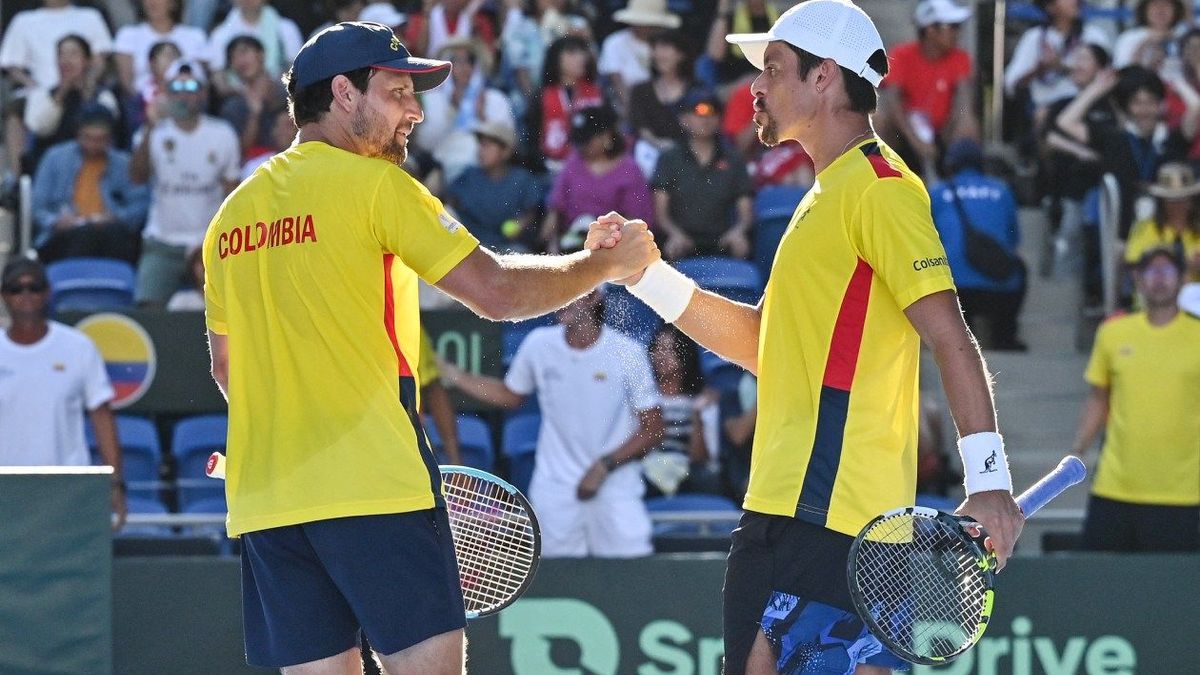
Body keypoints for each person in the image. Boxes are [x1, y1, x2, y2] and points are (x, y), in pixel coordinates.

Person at [201, 21, 657, 672]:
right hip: (374, 485)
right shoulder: (376, 185)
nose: (415, 110)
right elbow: (496, 293)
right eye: (397, 91)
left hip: (265, 500)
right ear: (343, 94)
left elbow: (227, 370)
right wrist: (598, 267)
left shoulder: (230, 219)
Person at [589, 2, 1025, 672]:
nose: (755, 88)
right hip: (803, 519)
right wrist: (645, 277)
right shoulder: (824, 197)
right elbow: (763, 343)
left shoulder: (878, 189)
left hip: (828, 525)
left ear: (825, 78)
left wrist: (989, 479)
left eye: (773, 68)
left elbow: (951, 336)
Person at [440, 288, 664, 557]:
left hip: (617, 487)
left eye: (570, 293)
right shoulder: (539, 344)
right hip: (554, 488)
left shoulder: (628, 352)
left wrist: (603, 467)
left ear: (595, 299)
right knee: (559, 578)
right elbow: (511, 396)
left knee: (631, 575)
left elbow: (653, 429)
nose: (557, 300)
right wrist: (454, 375)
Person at [1070, 247, 1200, 552]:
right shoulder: (1113, 333)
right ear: (1137, 279)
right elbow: (1098, 399)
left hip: (1184, 491)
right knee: (1100, 581)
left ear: (1182, 279)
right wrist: (1078, 449)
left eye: (1167, 271)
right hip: (1115, 487)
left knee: (1176, 592)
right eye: (1151, 271)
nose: (1159, 279)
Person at [0, 259, 127, 530]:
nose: (25, 295)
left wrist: (116, 484)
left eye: (33, 287)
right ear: (4, 295)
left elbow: (102, 418)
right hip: (5, 491)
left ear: (47, 293)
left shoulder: (78, 347)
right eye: (15, 288)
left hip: (67, 491)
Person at [131, 58, 241, 308]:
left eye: (191, 88)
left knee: (226, 310)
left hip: (210, 242)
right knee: (148, 309)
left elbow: (232, 192)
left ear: (203, 93)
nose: (183, 96)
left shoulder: (222, 133)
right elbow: (137, 176)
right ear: (166, 93)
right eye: (176, 89)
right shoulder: (153, 133)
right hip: (162, 241)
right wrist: (150, 127)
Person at [929, 139, 1028, 350]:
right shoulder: (1002, 191)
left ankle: (960, 334)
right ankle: (1005, 336)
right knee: (1020, 268)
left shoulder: (937, 192)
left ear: (950, 164)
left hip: (952, 289)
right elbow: (1013, 241)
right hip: (998, 290)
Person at [32, 108, 149, 264]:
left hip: (111, 231)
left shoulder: (124, 163)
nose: (93, 144)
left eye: (100, 139)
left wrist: (117, 217)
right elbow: (37, 206)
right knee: (84, 236)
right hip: (63, 234)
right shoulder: (54, 158)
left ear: (110, 139)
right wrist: (56, 221)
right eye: (88, 138)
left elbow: (140, 202)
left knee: (116, 237)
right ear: (79, 135)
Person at [877, 0, 977, 180]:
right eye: (952, 26)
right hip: (905, 133)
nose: (957, 32)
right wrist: (916, 141)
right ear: (930, 30)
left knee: (968, 123)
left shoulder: (960, 58)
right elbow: (892, 101)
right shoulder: (901, 54)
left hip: (944, 131)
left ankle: (963, 184)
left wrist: (953, 126)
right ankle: (879, 179)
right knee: (879, 119)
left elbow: (963, 100)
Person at [650, 90, 754, 259]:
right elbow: (661, 214)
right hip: (680, 241)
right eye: (698, 113)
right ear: (683, 120)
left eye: (713, 113)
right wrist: (675, 234)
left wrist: (738, 231)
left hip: (722, 241)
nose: (706, 119)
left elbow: (746, 211)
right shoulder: (669, 158)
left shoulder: (733, 159)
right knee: (668, 249)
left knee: (742, 247)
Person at [541, 105, 653, 252]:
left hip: (614, 247)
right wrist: (552, 246)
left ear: (606, 136)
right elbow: (555, 210)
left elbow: (635, 221)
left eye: (587, 141)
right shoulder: (572, 163)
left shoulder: (629, 170)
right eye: (578, 141)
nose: (581, 146)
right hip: (571, 244)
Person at [644, 324, 721, 497]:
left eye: (669, 350)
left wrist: (696, 416)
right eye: (657, 348)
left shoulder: (702, 402)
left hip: (689, 474)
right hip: (646, 472)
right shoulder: (641, 399)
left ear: (684, 356)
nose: (660, 356)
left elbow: (701, 457)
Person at [443, 119, 544, 251]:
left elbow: (531, 213)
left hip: (508, 249)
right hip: (470, 249)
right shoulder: (468, 176)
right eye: (481, 145)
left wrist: (520, 225)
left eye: (488, 145)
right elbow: (448, 206)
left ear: (506, 151)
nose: (481, 150)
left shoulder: (522, 180)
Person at [598, 0, 680, 116]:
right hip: (625, 107)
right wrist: (634, 113)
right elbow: (616, 81)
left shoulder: (667, 45)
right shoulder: (615, 43)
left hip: (664, 104)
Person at [214, 35, 290, 158]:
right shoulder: (233, 106)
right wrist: (254, 116)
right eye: (233, 57)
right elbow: (238, 154)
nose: (240, 61)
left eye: (244, 52)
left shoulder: (289, 91)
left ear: (261, 54)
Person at [113, 0, 208, 96]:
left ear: (173, 3)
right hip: (143, 101)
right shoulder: (128, 35)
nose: (152, 2)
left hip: (186, 99)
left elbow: (201, 81)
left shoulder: (195, 36)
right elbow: (127, 83)